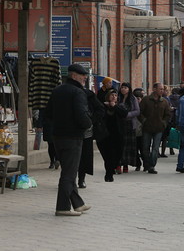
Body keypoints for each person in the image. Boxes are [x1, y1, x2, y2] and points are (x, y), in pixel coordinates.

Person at [43, 64, 93, 216]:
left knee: (68, 170)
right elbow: (81, 115)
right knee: (69, 174)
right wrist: (89, 123)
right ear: (73, 76)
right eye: (82, 75)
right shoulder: (78, 92)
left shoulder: (57, 90)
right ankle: (63, 207)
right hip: (73, 137)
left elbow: (49, 113)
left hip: (58, 136)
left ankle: (78, 204)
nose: (85, 77)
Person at [138, 83, 172, 174]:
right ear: (154, 89)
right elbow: (139, 112)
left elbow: (168, 114)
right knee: (145, 148)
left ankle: (151, 166)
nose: (162, 91)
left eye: (162, 89)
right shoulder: (146, 100)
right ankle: (146, 164)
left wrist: (164, 123)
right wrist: (144, 121)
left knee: (155, 148)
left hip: (159, 128)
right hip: (147, 128)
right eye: (160, 89)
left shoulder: (164, 101)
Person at [95, 88, 127, 182]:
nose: (114, 97)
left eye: (116, 95)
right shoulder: (102, 106)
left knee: (117, 155)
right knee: (108, 156)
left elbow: (124, 114)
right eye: (112, 95)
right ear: (108, 96)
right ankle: (109, 174)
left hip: (117, 135)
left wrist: (114, 106)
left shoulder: (120, 106)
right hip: (105, 135)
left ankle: (111, 169)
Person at [117, 82, 140, 173]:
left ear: (129, 89)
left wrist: (127, 114)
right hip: (119, 124)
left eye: (125, 88)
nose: (123, 89)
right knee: (120, 145)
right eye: (122, 87)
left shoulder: (132, 99)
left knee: (128, 146)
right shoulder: (118, 98)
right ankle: (118, 164)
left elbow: (137, 111)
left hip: (130, 125)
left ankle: (126, 164)